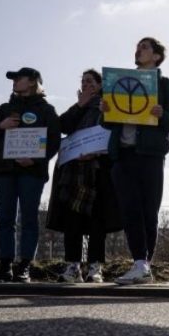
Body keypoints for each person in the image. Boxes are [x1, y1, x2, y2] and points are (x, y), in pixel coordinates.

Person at [101, 37, 169, 285]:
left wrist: (162, 115)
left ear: (157, 56)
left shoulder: (168, 86)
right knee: (129, 211)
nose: (138, 50)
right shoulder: (118, 82)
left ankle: (144, 265)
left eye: (145, 47)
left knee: (149, 211)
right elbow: (107, 123)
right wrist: (105, 109)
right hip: (123, 155)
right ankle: (139, 262)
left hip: (150, 156)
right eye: (137, 46)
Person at [0, 67, 61, 282]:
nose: (14, 81)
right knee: (5, 219)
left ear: (33, 81)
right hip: (3, 171)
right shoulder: (5, 108)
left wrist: (35, 159)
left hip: (32, 172)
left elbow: (54, 142)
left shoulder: (47, 110)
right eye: (13, 79)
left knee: (29, 219)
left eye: (19, 78)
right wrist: (0, 126)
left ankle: (24, 267)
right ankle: (5, 266)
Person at [47, 69, 122, 283]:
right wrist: (80, 105)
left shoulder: (108, 105)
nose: (86, 85)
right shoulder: (77, 108)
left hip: (98, 171)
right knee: (73, 221)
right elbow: (61, 126)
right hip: (73, 174)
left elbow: (114, 133)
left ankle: (95, 267)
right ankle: (73, 267)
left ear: (100, 85)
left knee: (98, 222)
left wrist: (99, 152)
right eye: (83, 82)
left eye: (90, 81)